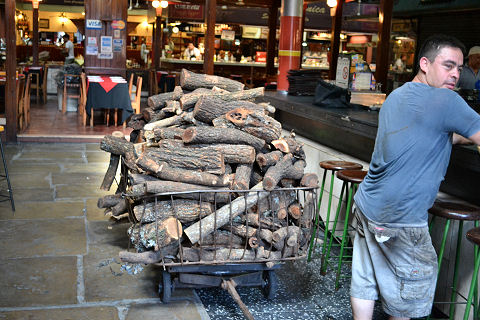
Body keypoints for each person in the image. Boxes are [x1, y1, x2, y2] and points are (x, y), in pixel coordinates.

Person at [350, 34, 480, 320]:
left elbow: (431, 133)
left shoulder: (397, 96)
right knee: (406, 296)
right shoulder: (447, 100)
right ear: (425, 63)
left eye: (459, 68)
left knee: (366, 281)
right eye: (448, 66)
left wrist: (462, 137)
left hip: (366, 207)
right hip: (401, 219)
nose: (455, 74)